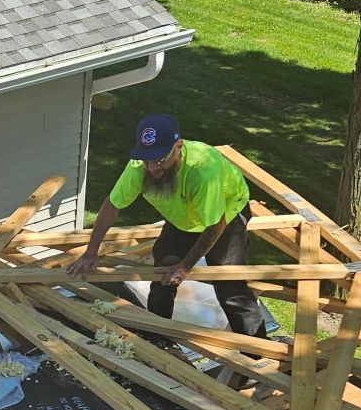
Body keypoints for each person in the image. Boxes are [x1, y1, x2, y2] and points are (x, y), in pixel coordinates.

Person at [70, 114, 265, 338]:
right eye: (147, 160)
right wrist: (91, 251)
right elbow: (113, 204)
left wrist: (185, 267)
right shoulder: (140, 166)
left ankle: (257, 350)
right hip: (182, 218)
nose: (153, 168)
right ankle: (157, 339)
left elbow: (214, 225)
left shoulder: (202, 171)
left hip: (225, 220)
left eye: (159, 160)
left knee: (230, 287)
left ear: (178, 147)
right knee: (162, 276)